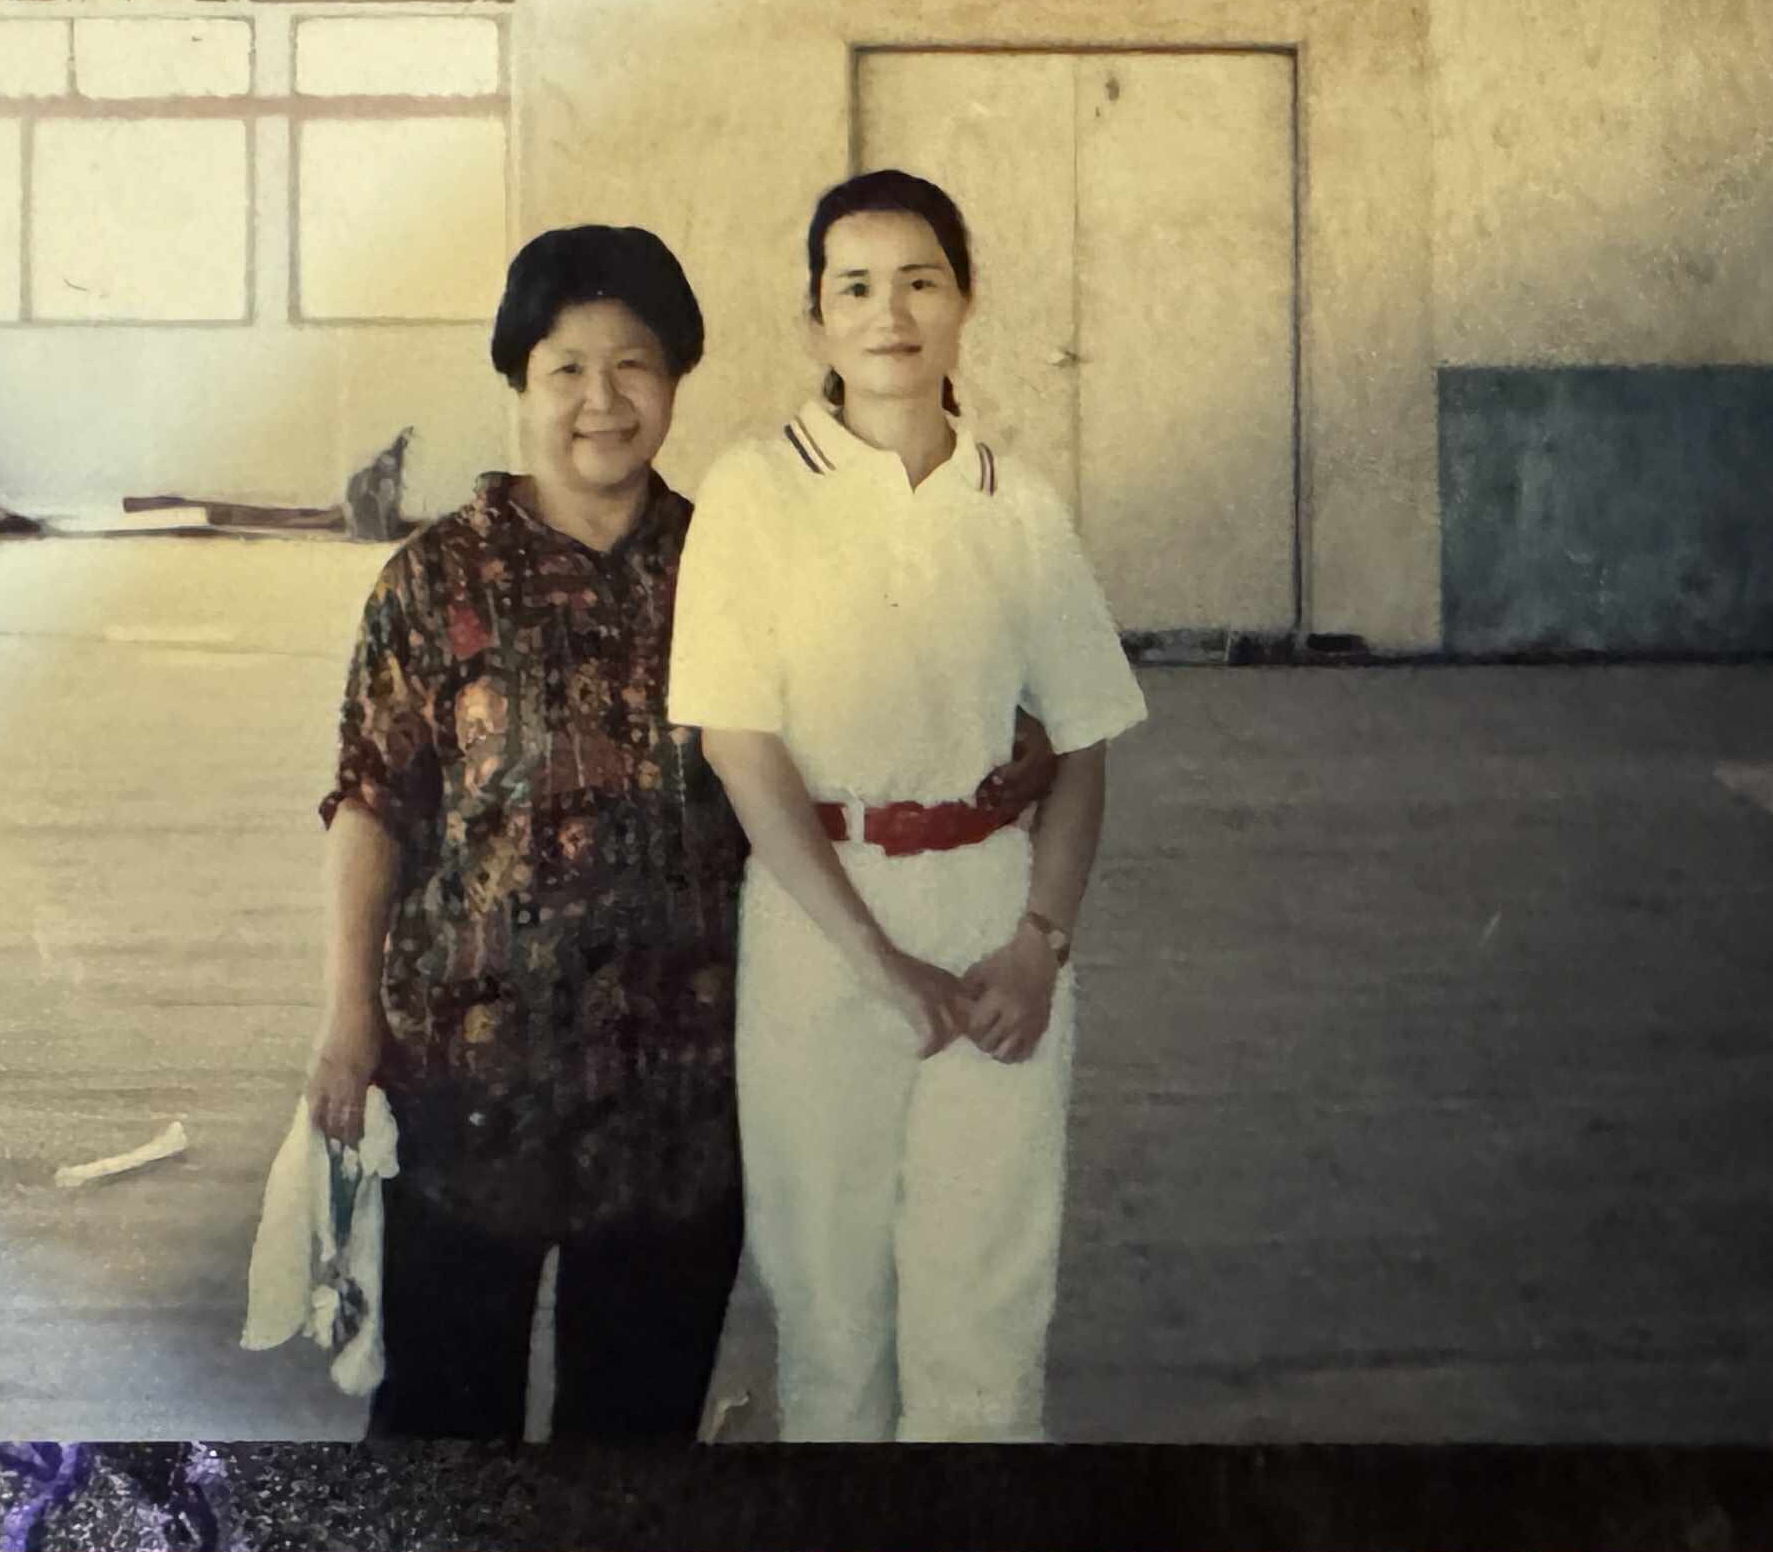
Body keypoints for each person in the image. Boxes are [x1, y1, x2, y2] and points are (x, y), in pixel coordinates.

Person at [309, 222, 1054, 1440]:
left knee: (641, 1433)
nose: (603, 401)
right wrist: (348, 1023)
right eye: (567, 369)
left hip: (684, 1094)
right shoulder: (435, 578)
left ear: (676, 380)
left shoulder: (738, 555)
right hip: (473, 1088)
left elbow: (880, 695)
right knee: (444, 1424)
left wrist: (1003, 733)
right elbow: (371, 805)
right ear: (520, 382)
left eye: (636, 365)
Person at [666, 170, 1148, 1443]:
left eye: (921, 280)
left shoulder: (1018, 504)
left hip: (990, 910)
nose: (891, 313)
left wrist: (1040, 943)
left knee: (986, 1312)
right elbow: (739, 744)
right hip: (820, 922)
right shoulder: (756, 487)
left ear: (966, 300)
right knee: (830, 1316)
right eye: (856, 286)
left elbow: (1087, 743)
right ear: (818, 319)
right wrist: (875, 958)